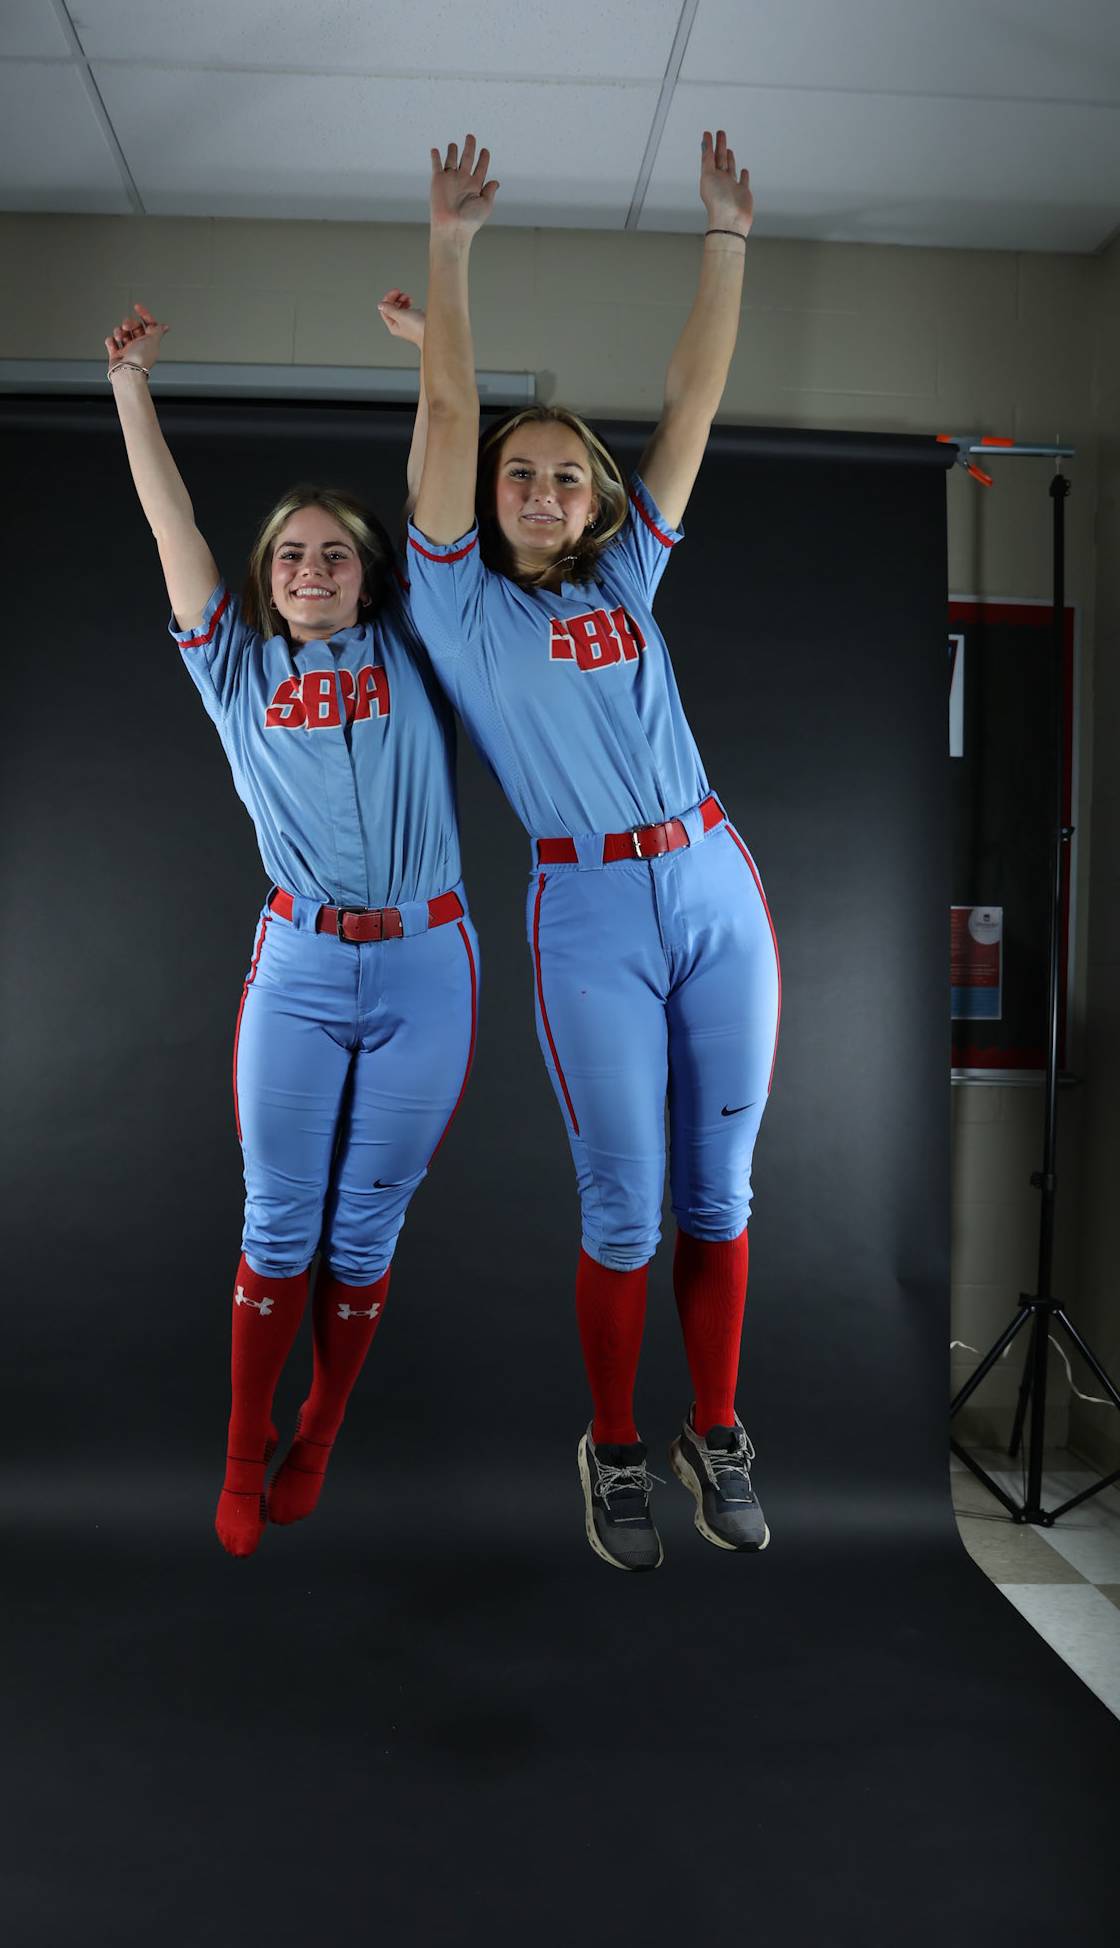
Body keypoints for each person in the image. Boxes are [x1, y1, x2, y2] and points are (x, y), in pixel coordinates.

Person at [398, 132, 780, 1573]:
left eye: (567, 472)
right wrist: (450, 253)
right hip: (591, 910)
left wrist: (726, 238)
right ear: (487, 502)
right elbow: (448, 411)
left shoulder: (626, 575)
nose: (544, 487)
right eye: (520, 474)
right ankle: (616, 1447)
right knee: (625, 1201)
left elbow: (691, 402)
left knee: (722, 1196)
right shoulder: (460, 613)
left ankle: (717, 1428)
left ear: (596, 499)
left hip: (713, 885)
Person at [106, 305, 479, 1558]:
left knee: (367, 1228)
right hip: (303, 963)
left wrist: (436, 352)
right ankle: (241, 1452)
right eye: (290, 557)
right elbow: (175, 525)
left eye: (332, 554)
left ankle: (318, 1429)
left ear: (368, 572)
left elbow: (441, 475)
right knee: (279, 1221)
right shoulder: (236, 672)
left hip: (428, 962)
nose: (310, 569)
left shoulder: (420, 646)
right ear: (266, 577)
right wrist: (129, 387)